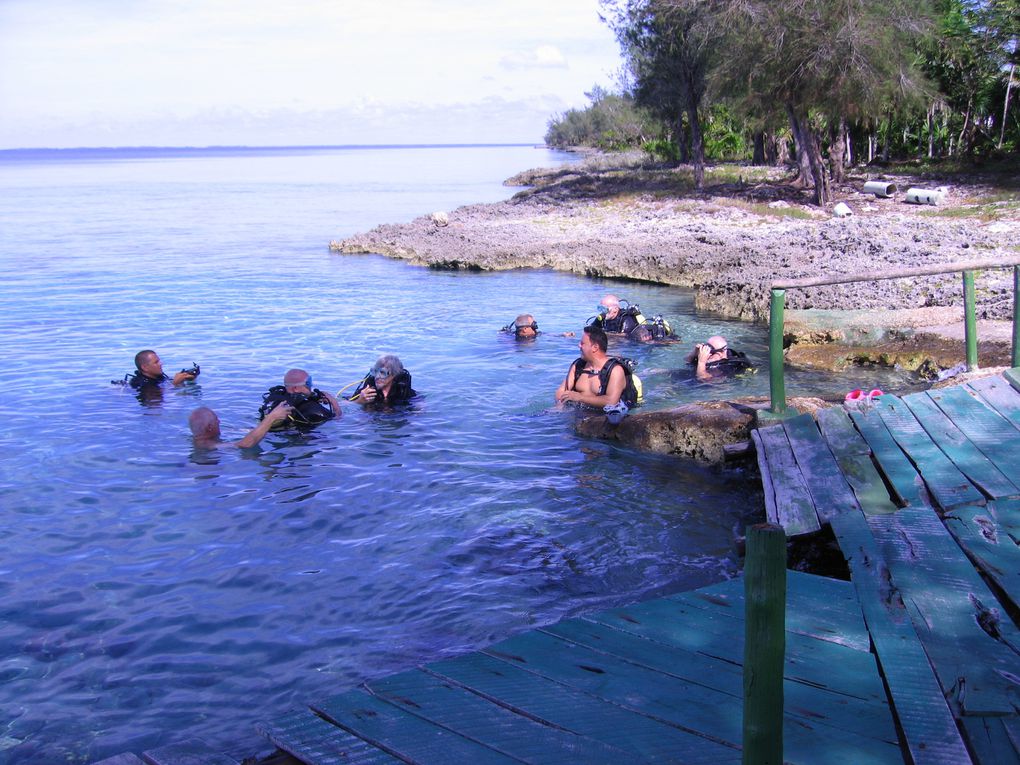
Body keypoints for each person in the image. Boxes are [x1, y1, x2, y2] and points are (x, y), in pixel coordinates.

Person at [556, 326, 641, 423]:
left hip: (605, 420)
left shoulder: (615, 370)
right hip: (578, 417)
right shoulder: (578, 366)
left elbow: (611, 401)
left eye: (582, 343)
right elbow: (561, 391)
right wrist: (560, 405)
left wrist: (580, 398)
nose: (579, 345)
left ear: (595, 347)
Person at [258, 368, 342, 428]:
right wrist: (334, 402)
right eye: (308, 384)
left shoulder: (276, 399)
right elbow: (338, 419)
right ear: (295, 388)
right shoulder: (314, 410)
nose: (311, 386)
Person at [189, 403, 293, 449]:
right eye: (216, 420)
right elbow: (244, 445)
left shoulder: (206, 436)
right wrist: (271, 417)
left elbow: (239, 431)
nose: (219, 422)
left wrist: (267, 430)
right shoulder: (207, 445)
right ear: (210, 427)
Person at [588, 295, 676, 342]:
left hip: (642, 341)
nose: (603, 312)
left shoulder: (626, 319)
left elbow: (626, 337)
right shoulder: (603, 318)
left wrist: (605, 335)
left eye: (605, 309)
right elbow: (590, 329)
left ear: (615, 309)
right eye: (600, 308)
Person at [349, 354, 416, 408]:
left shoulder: (404, 391)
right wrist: (359, 401)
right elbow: (346, 404)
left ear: (394, 374)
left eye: (383, 373)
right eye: (375, 371)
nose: (377, 376)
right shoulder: (365, 391)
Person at [686, 335, 752, 381]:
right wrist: (694, 352)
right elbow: (687, 362)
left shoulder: (727, 366)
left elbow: (704, 379)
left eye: (710, 351)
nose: (706, 353)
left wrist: (701, 362)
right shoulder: (712, 359)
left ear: (720, 353)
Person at [121, 350, 198, 389]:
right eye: (156, 362)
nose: (161, 364)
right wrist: (176, 384)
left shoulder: (157, 377)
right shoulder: (143, 385)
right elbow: (162, 403)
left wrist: (188, 379)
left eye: (159, 361)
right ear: (144, 367)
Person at [500, 313, 575, 340]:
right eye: (534, 325)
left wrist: (563, 335)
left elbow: (547, 335)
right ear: (525, 329)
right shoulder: (510, 339)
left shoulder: (535, 334)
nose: (536, 328)